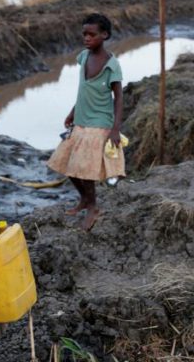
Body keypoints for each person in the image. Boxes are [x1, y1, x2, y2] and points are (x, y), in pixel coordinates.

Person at [47, 13, 125, 231]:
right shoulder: (83, 57)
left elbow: (119, 97)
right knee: (68, 164)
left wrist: (115, 128)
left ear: (105, 35)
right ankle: (84, 199)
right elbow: (84, 90)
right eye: (84, 34)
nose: (87, 38)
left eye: (92, 34)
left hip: (100, 122)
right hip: (81, 118)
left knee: (85, 168)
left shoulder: (111, 65)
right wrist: (72, 111)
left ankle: (93, 207)